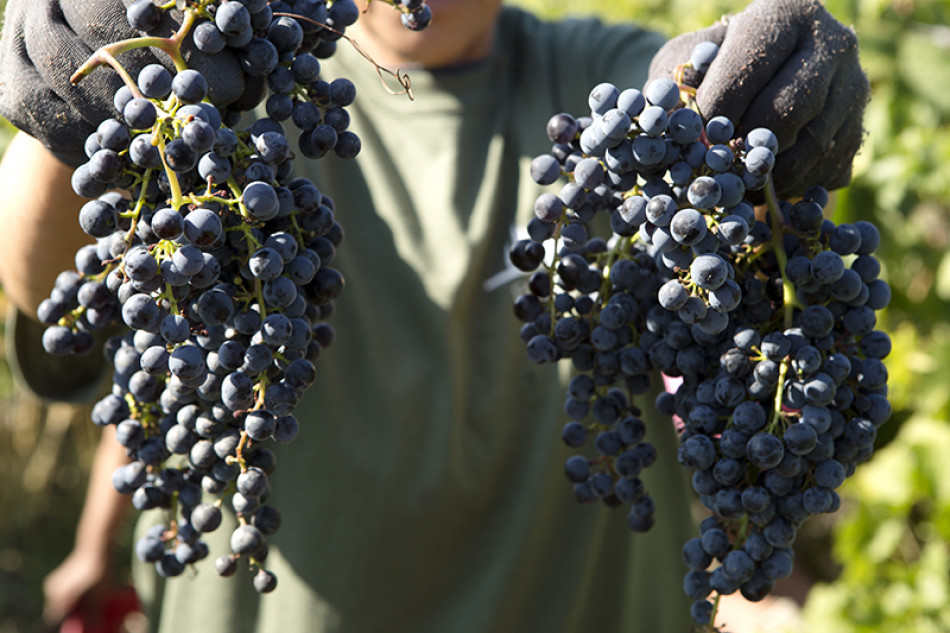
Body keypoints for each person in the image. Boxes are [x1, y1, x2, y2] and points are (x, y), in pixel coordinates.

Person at [0, 0, 868, 631]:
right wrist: (62, 127)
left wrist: (761, 95)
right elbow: (57, 301)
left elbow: (729, 179)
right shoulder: (234, 79)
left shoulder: (596, 75)